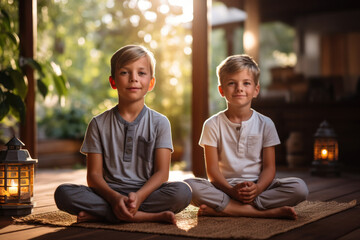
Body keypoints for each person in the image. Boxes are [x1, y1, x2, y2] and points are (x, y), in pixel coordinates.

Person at [54, 45, 192, 224]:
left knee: (183, 192)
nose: (134, 79)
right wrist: (114, 198)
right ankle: (145, 217)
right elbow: (94, 176)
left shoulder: (160, 122)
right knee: (63, 193)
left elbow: (162, 172)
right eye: (125, 73)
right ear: (113, 82)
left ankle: (103, 215)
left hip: (147, 193)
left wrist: (140, 197)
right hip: (107, 194)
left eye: (141, 73)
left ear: (151, 83)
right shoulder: (97, 124)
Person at [185, 54, 308, 220]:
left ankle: (226, 209)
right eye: (231, 83)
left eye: (246, 83)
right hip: (224, 187)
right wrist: (231, 191)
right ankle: (265, 212)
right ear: (221, 90)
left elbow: (269, 168)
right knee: (189, 187)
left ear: (256, 90)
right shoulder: (212, 124)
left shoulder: (266, 124)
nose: (239, 88)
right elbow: (212, 171)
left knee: (300, 188)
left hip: (259, 187)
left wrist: (257, 189)